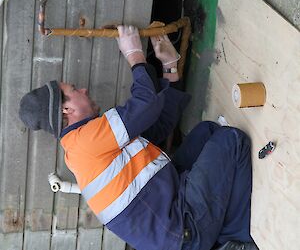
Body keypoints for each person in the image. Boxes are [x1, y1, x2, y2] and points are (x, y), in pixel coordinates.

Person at [19, 25, 258, 250]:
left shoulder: (86, 145)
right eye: (73, 90)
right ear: (66, 110)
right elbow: (145, 104)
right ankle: (234, 239)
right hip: (183, 231)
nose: (83, 90)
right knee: (231, 141)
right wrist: (134, 54)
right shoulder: (85, 142)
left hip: (175, 208)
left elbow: (157, 126)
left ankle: (219, 230)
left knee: (207, 133)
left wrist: (170, 66)